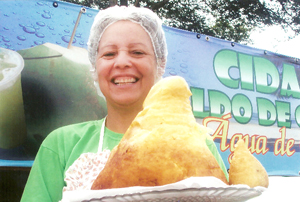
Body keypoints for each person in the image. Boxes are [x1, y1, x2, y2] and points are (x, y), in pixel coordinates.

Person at [21, 6, 228, 202]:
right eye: (109, 54)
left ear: (159, 63)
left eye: (137, 52)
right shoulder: (61, 145)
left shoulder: (198, 142)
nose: (121, 62)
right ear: (95, 65)